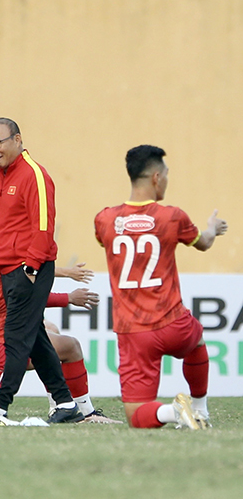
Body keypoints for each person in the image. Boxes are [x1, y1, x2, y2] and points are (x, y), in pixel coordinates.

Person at [94, 144, 227, 429]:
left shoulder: (105, 219)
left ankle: (172, 411)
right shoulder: (172, 217)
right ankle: (199, 409)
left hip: (134, 333)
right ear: (156, 177)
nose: (167, 179)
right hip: (173, 324)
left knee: (137, 417)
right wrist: (212, 228)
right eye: (166, 174)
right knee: (197, 343)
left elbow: (107, 241)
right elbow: (203, 243)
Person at [0, 226, 121, 424]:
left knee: (51, 332)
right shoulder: (7, 246)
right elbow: (27, 293)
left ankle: (63, 407)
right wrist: (69, 297)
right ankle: (81, 412)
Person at [0, 117, 80, 424]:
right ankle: (65, 403)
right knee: (35, 338)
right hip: (7, 268)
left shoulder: (34, 175)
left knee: (15, 337)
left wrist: (32, 267)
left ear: (17, 139)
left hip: (30, 268)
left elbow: (44, 225)